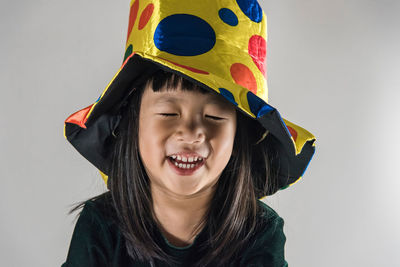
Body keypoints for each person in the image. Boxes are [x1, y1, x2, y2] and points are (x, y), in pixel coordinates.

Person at [62, 0, 316, 266]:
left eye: (214, 116)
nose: (191, 133)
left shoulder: (260, 232)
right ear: (132, 125)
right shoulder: (100, 225)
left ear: (239, 136)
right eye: (168, 114)